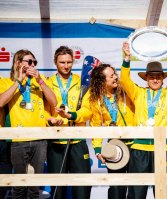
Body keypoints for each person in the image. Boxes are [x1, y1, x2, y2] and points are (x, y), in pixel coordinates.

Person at [57, 63, 135, 199]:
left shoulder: (126, 91)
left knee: (135, 188)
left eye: (115, 74)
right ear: (102, 81)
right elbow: (96, 125)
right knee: (117, 188)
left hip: (136, 144)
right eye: (111, 76)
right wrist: (98, 149)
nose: (116, 77)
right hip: (116, 147)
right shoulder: (96, 100)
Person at [120, 41, 167, 199]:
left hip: (162, 149)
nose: (155, 80)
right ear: (146, 78)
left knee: (164, 193)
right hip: (140, 149)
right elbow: (125, 81)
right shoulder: (138, 93)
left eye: (158, 77)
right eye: (152, 77)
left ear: (163, 78)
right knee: (136, 194)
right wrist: (127, 58)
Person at [0, 49, 57, 198]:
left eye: (34, 62)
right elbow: (0, 102)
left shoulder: (40, 80)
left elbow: (54, 101)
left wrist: (40, 80)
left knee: (34, 186)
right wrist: (19, 80)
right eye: (29, 62)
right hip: (18, 139)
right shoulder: (6, 82)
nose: (33, 65)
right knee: (19, 185)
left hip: (39, 138)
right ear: (18, 63)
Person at [46, 46, 91, 199]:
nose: (66, 66)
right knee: (57, 190)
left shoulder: (82, 82)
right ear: (55, 62)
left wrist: (72, 115)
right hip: (56, 141)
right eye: (62, 62)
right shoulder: (48, 83)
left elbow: (87, 110)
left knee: (82, 187)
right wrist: (50, 121)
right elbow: (44, 111)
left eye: (69, 62)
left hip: (77, 139)